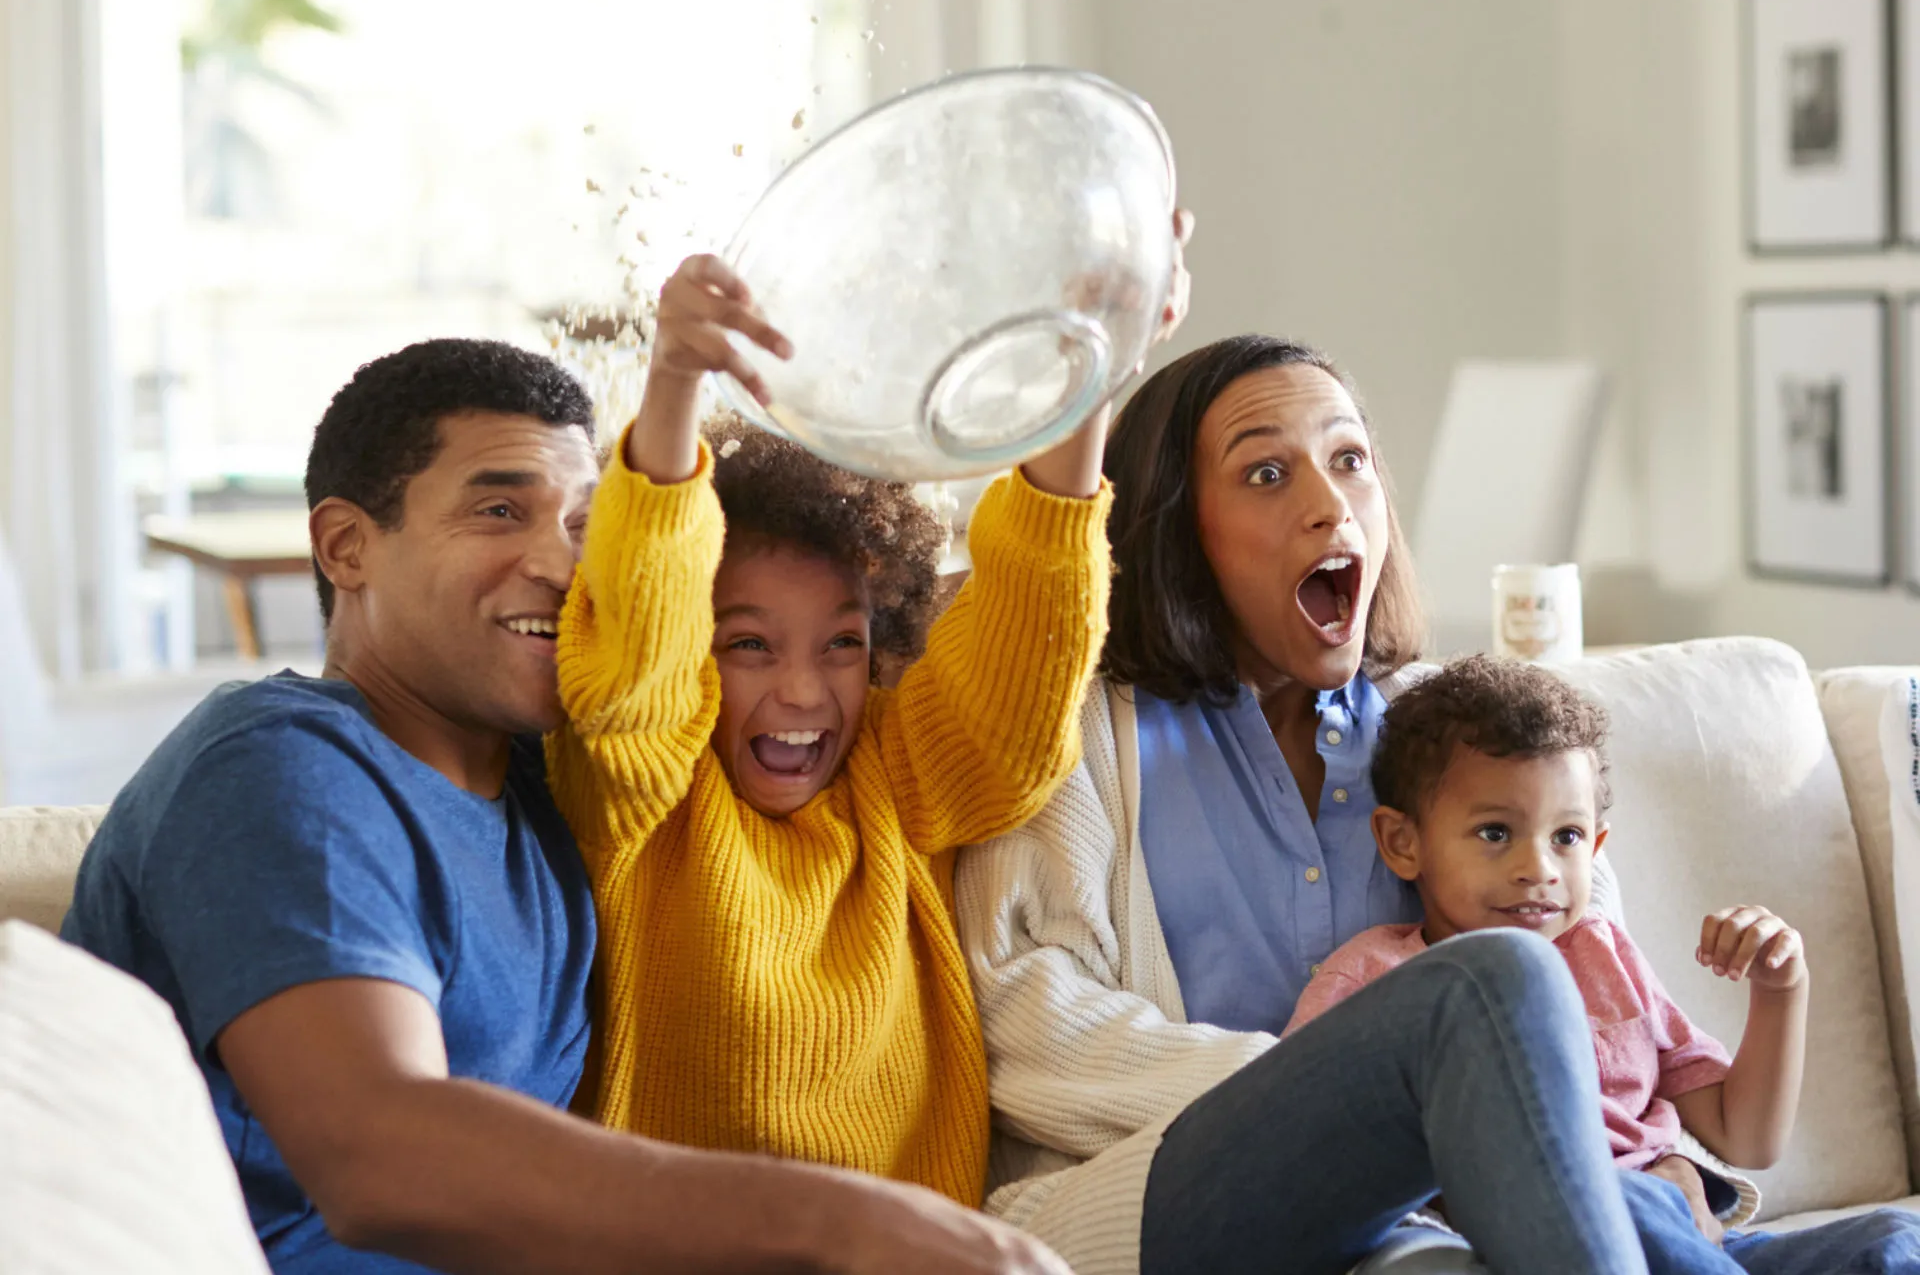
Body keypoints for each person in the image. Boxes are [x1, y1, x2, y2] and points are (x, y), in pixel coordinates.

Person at [62, 338, 1068, 1274]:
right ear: (345, 545)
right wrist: (838, 1218)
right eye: (499, 510)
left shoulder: (555, 796)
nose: (558, 560)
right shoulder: (282, 766)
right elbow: (378, 1155)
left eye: (583, 521)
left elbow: (680, 646)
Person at [955, 333, 1654, 1275]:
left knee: (1892, 1243)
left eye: (1350, 461)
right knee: (1499, 980)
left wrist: (1671, 1161)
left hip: (1418, 1228)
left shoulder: (1452, 726)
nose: (1330, 506)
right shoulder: (1073, 731)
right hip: (1154, 1207)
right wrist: (1353, 1093)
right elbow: (1028, 1036)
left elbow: (1596, 972)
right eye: (1267, 473)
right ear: (1176, 527)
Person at [543, 220, 1185, 1211]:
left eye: (841, 643)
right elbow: (637, 649)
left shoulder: (893, 771)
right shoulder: (639, 792)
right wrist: (672, 384)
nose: (804, 691)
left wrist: (1090, 377)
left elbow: (1027, 648)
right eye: (748, 642)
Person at [1287, 655, 1920, 1275]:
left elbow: (1745, 1137)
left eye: (1566, 837)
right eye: (1495, 833)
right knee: (1631, 1203)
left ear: (1596, 846)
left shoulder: (1605, 955)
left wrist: (1781, 988)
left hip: (1693, 1239)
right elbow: (1317, 1160)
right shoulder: (1374, 978)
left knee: (1897, 1237)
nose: (1538, 868)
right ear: (1403, 842)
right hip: (1564, 1236)